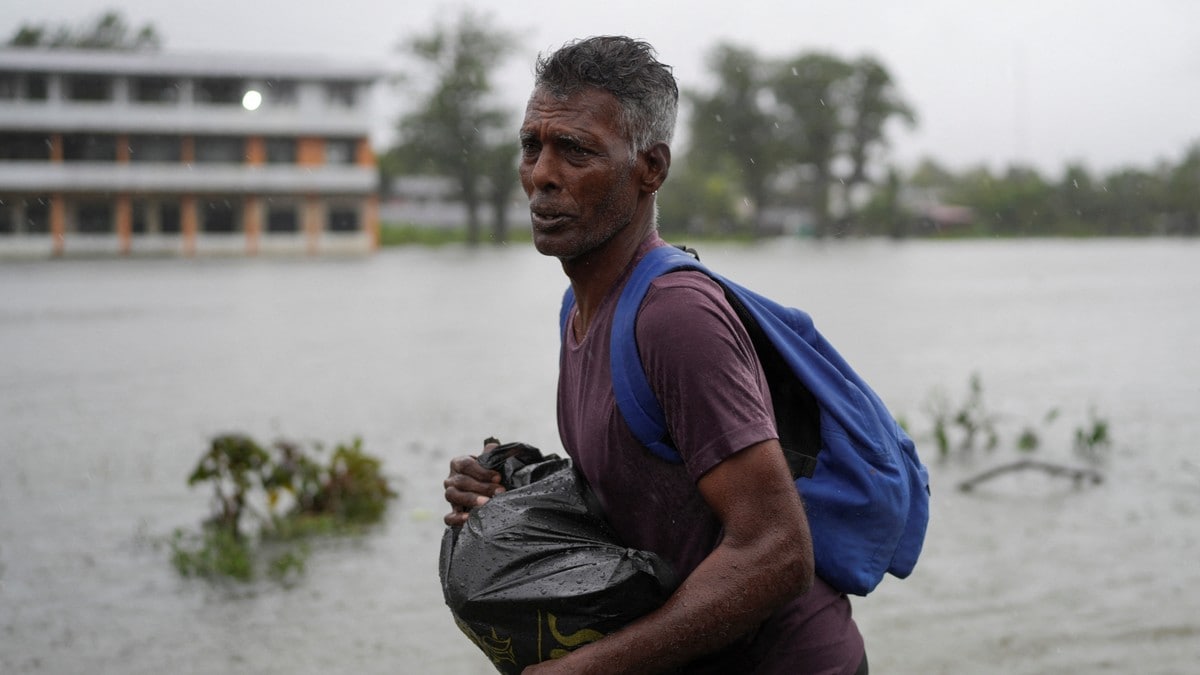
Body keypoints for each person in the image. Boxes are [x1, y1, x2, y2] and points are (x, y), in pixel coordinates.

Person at [443, 36, 866, 675]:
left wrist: (589, 668)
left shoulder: (674, 317)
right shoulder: (583, 307)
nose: (543, 175)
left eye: (577, 150)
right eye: (533, 146)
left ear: (651, 169)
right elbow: (646, 480)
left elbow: (778, 551)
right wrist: (511, 481)